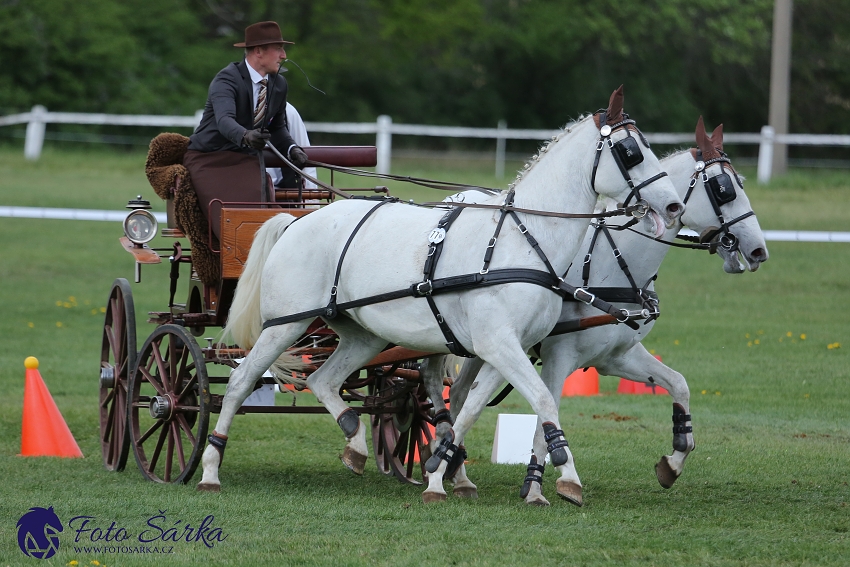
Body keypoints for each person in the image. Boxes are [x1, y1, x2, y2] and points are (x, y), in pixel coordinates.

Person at [183, 21, 309, 239]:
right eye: (278, 49)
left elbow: (278, 128)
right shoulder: (226, 79)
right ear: (258, 51)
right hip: (211, 159)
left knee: (257, 219)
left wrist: (291, 149)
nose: (284, 55)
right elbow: (224, 121)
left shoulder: (279, 84)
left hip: (247, 160)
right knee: (235, 223)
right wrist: (246, 135)